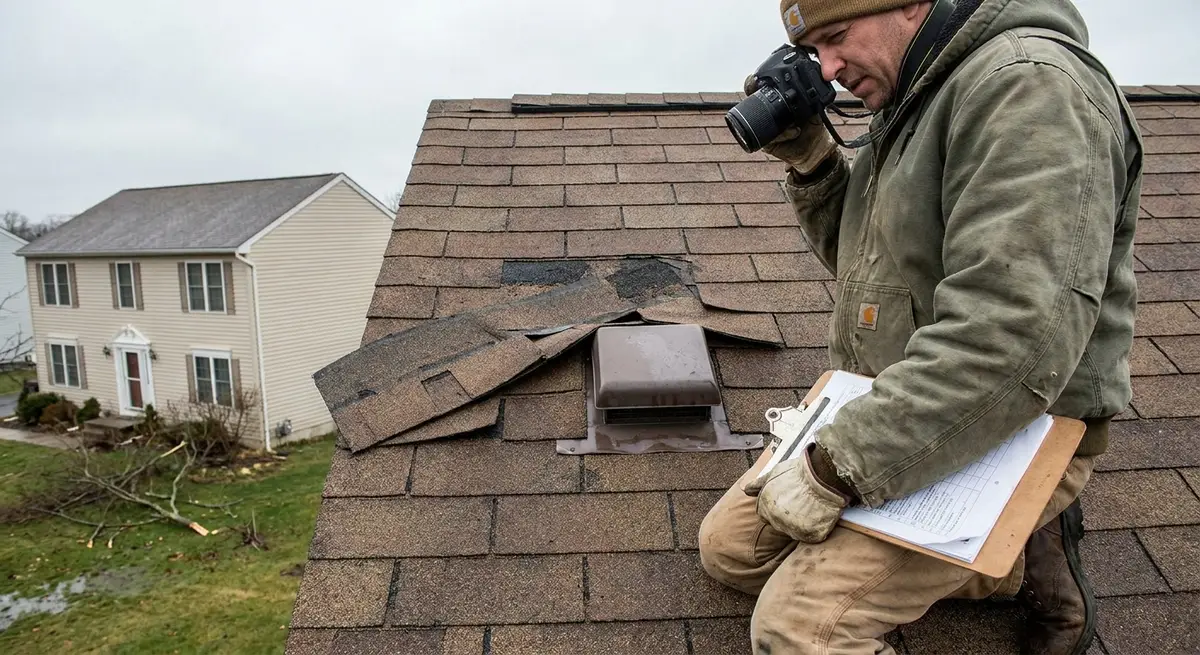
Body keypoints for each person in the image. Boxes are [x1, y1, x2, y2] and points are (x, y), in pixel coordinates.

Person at [698, 0, 1143, 653]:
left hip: (1013, 417)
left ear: (909, 5)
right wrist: (814, 162)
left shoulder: (1029, 89)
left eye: (837, 38)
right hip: (911, 404)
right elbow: (871, 268)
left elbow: (1011, 343)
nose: (827, 69)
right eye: (812, 50)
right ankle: (1002, 557)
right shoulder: (913, 97)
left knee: (797, 629)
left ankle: (1017, 523)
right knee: (731, 552)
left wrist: (837, 468)